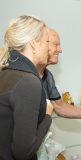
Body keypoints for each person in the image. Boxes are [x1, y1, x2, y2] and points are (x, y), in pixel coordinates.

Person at [36, 28, 81, 159]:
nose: (60, 50)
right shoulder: (24, 77)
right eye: (56, 44)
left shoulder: (47, 76)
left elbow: (59, 106)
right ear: (41, 44)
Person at [0, 15, 54, 160]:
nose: (49, 47)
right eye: (47, 42)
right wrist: (48, 116)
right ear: (34, 44)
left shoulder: (6, 73)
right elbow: (23, 152)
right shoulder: (28, 82)